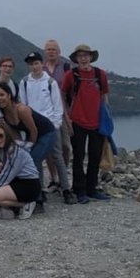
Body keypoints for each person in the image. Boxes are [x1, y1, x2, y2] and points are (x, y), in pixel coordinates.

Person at [0, 81, 56, 210]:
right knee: (23, 159)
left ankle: (38, 198)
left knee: (33, 159)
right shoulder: (4, 113)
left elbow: (33, 131)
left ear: (9, 95)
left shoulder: (21, 109)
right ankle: (22, 193)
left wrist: (27, 149)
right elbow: (15, 134)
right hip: (32, 136)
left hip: (46, 133)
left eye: (2, 95)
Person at [19, 51, 73, 204]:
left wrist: (55, 125)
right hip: (34, 126)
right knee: (36, 158)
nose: (34, 66)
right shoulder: (24, 82)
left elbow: (57, 106)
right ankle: (40, 189)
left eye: (36, 63)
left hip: (50, 126)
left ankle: (66, 188)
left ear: (41, 64)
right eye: (31, 64)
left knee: (57, 156)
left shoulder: (50, 82)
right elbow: (23, 105)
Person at [60, 44, 111, 204]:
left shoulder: (99, 74)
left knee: (95, 156)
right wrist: (67, 117)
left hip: (97, 122)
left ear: (90, 57)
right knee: (79, 156)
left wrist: (106, 117)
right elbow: (61, 94)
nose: (83, 58)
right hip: (77, 121)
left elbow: (104, 96)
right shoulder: (71, 75)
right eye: (80, 56)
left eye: (85, 55)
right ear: (76, 59)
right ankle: (79, 189)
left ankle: (91, 188)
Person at [0, 118, 43, 218]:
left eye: (1, 136)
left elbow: (8, 174)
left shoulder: (15, 150)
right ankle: (7, 210)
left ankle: (26, 204)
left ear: (7, 134)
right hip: (17, 180)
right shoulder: (2, 149)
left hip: (29, 185)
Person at [42, 39, 73, 186]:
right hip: (46, 114)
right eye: (48, 49)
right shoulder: (41, 69)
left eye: (54, 49)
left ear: (59, 52)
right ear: (45, 52)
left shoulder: (66, 67)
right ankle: (54, 178)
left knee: (65, 146)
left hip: (63, 112)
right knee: (49, 148)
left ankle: (63, 173)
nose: (51, 52)